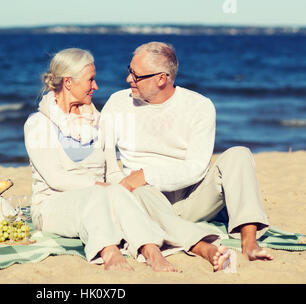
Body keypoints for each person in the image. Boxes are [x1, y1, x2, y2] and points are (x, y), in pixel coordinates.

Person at [24, 48, 234, 273]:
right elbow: (57, 180)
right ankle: (109, 251)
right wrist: (108, 189)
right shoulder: (38, 125)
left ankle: (155, 250)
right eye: (91, 80)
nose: (96, 86)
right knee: (108, 193)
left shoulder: (97, 120)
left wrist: (123, 187)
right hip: (53, 205)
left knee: (131, 193)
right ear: (68, 83)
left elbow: (112, 172)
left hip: (102, 197)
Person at [101, 41, 273, 262]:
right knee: (141, 191)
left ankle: (249, 243)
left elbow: (196, 168)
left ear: (161, 78)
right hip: (141, 200)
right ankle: (198, 243)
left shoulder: (199, 106)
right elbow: (104, 156)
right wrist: (123, 186)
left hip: (190, 201)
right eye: (129, 71)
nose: (128, 79)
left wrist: (147, 175)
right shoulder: (118, 102)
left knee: (239, 154)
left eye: (136, 75)